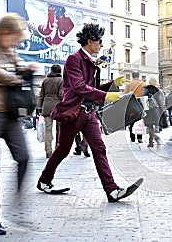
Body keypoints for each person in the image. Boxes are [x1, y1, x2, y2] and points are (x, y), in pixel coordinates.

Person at [37, 23, 142, 203]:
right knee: (63, 150)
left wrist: (111, 83)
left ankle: (112, 191)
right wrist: (106, 95)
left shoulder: (92, 63)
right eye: (99, 41)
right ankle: (44, 181)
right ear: (90, 41)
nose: (101, 45)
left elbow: (92, 89)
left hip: (89, 114)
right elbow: (79, 88)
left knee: (99, 148)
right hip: (73, 113)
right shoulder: (73, 60)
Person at [0, 13, 33, 235]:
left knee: (24, 157)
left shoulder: (9, 49)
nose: (15, 44)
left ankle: (17, 202)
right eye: (14, 39)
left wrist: (27, 67)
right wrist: (16, 78)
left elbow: (17, 64)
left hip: (9, 115)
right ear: (4, 32)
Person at [40, 64, 62, 158]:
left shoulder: (45, 80)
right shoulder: (61, 80)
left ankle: (48, 151)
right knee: (59, 129)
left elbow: (41, 95)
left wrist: (40, 107)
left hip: (47, 106)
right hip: (58, 107)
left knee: (48, 130)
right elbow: (61, 95)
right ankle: (58, 150)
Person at [142, 76, 165, 148]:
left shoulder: (145, 89)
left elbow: (143, 100)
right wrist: (163, 111)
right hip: (156, 110)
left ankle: (151, 141)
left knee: (150, 126)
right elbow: (161, 102)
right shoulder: (158, 91)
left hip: (148, 110)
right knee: (156, 125)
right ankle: (156, 136)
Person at [124, 71, 146, 143]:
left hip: (131, 104)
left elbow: (125, 95)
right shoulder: (144, 84)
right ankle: (140, 138)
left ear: (132, 76)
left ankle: (132, 138)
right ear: (139, 76)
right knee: (140, 120)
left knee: (131, 121)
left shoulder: (129, 84)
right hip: (140, 104)